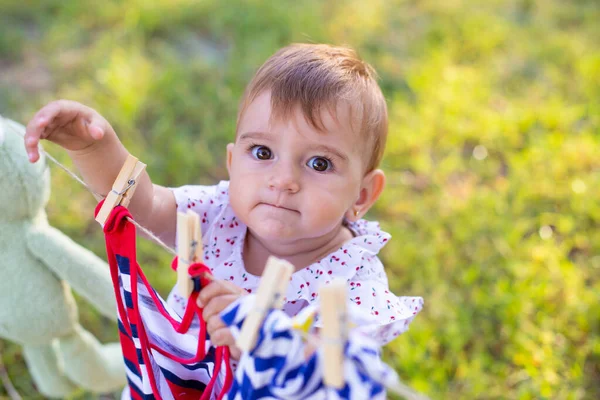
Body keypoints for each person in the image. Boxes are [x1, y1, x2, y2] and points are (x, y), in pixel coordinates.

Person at [24, 43, 423, 361]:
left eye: (319, 162)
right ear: (233, 163)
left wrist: (263, 333)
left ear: (362, 195)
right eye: (263, 153)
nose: (283, 180)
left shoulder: (352, 282)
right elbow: (142, 205)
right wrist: (94, 147)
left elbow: (340, 368)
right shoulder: (217, 215)